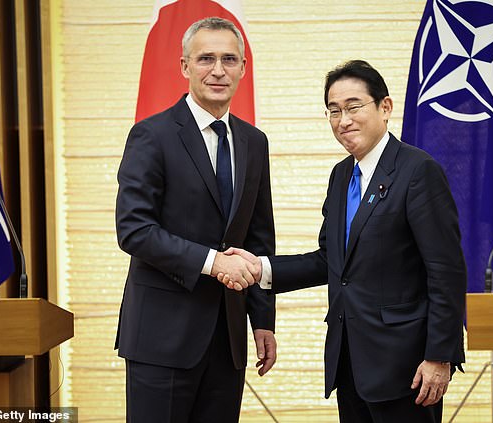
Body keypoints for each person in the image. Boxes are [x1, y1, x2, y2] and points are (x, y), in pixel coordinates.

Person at [220, 60, 466, 423]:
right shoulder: (341, 176)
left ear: (385, 107)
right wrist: (261, 268)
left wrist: (439, 356)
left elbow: (446, 271)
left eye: (354, 107)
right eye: (334, 111)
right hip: (349, 359)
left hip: (407, 366)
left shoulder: (417, 171)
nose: (343, 120)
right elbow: (329, 260)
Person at [115, 17, 277, 423]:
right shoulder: (151, 135)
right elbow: (134, 229)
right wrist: (213, 262)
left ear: (243, 67)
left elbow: (258, 235)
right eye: (206, 59)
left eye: (229, 59)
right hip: (161, 338)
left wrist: (262, 320)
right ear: (185, 67)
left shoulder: (254, 143)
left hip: (228, 340)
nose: (218, 70)